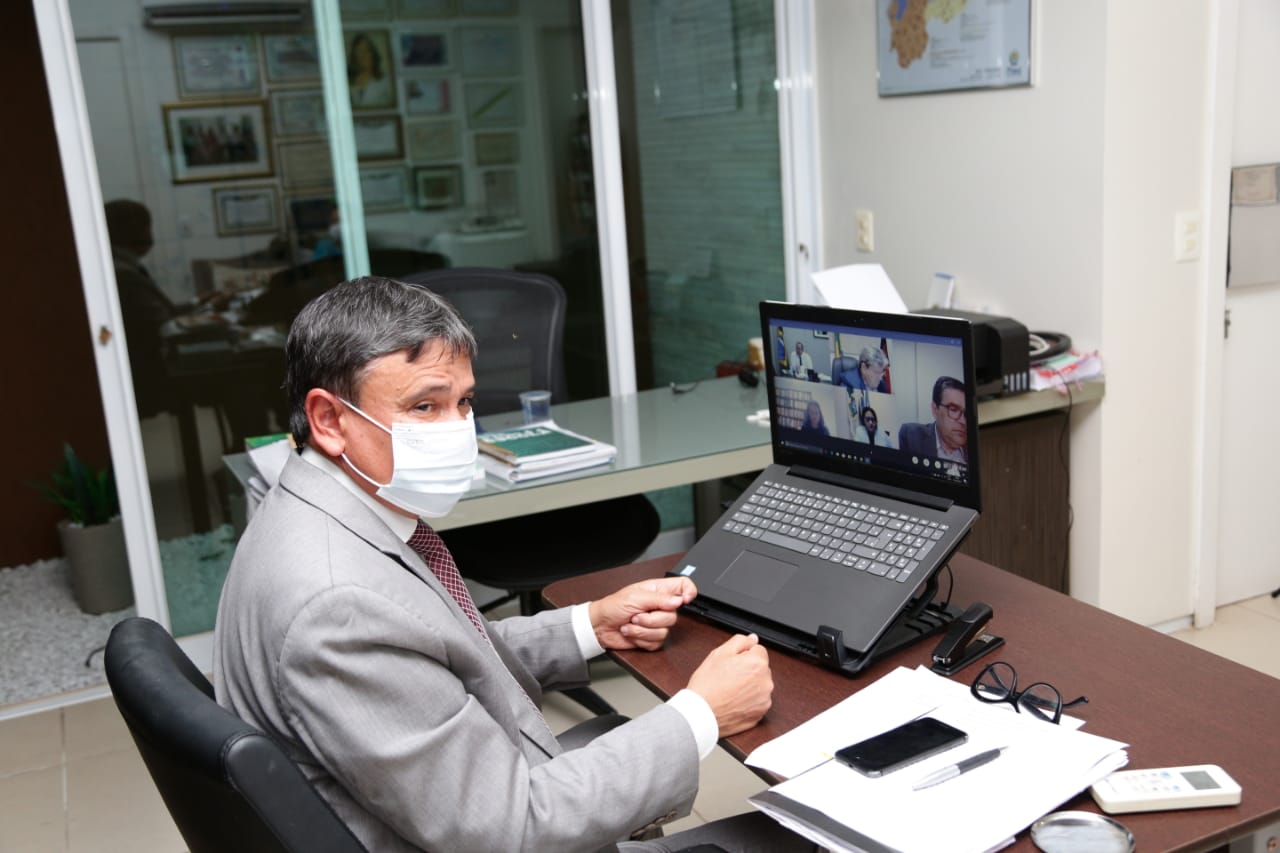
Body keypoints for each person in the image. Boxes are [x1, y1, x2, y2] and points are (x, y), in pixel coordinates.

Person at [213, 277, 812, 853]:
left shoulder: (308, 509)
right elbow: (511, 829)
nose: (458, 431)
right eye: (424, 406)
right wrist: (702, 713)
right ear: (328, 420)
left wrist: (590, 625)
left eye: (464, 402)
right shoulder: (337, 603)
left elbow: (431, 651)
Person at [104, 199, 230, 417]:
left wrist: (197, 303)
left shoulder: (122, 266)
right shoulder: (124, 274)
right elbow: (164, 325)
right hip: (156, 373)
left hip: (151, 365)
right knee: (236, 376)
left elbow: (158, 312)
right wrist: (209, 316)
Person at [898, 376, 968, 463]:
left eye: (966, 413)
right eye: (953, 410)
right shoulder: (911, 435)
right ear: (935, 410)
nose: (963, 421)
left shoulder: (974, 447)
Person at [347, 33, 392, 108]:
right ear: (354, 56)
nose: (363, 56)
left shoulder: (384, 81)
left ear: (373, 54)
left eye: (367, 50)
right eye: (360, 51)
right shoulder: (348, 83)